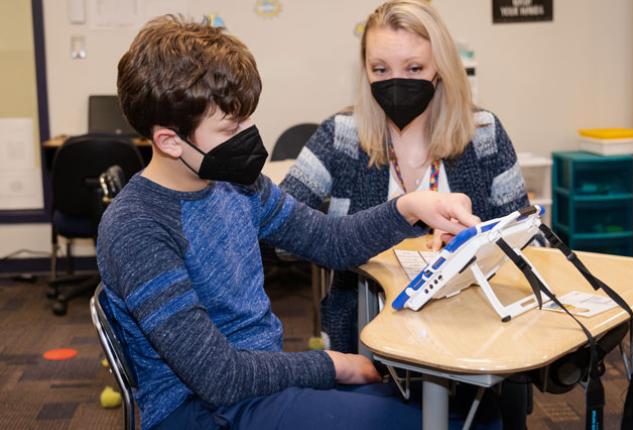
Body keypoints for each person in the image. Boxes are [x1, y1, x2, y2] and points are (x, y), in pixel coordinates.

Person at [96, 14, 497, 430]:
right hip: (199, 408)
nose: (249, 135)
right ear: (169, 140)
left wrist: (410, 207)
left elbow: (329, 241)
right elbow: (217, 376)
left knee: (473, 410)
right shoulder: (137, 227)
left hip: (257, 385)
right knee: (447, 422)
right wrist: (331, 365)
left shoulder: (239, 186)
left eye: (248, 119)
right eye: (231, 127)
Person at [280, 0, 531, 427]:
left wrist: (479, 243)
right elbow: (281, 232)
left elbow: (531, 240)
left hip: (476, 334)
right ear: (365, 71)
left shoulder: (484, 133)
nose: (397, 82)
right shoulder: (342, 135)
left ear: (442, 68)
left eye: (414, 68)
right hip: (368, 339)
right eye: (380, 70)